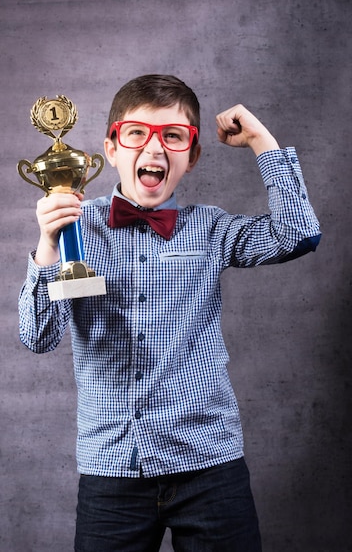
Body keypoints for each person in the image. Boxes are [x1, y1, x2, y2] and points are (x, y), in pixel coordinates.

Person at [19, 74, 321, 551]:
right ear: (110, 149)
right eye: (138, 133)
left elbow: (298, 235)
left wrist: (263, 142)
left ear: (192, 155)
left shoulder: (212, 229)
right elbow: (38, 337)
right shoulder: (75, 225)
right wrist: (47, 248)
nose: (154, 150)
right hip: (112, 469)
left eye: (173, 137)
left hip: (209, 466)